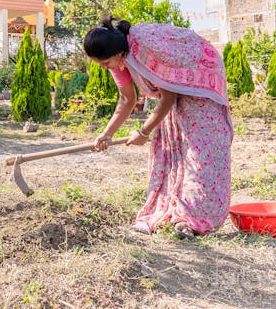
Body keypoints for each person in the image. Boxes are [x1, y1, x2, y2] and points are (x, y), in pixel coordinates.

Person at [84, 17, 231, 237]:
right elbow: (127, 99)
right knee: (170, 149)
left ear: (119, 53)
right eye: (100, 64)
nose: (105, 68)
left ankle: (193, 221)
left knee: (199, 154)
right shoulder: (118, 57)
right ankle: (169, 212)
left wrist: (144, 131)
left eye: (105, 63)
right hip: (172, 89)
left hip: (199, 80)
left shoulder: (145, 50)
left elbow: (168, 96)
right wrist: (106, 134)